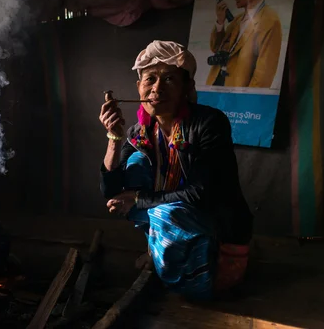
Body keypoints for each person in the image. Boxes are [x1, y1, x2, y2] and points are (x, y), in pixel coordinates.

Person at [99, 40, 253, 300]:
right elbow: (113, 192)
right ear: (139, 87)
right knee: (136, 165)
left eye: (169, 79)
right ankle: (160, 253)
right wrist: (113, 139)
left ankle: (196, 280)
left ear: (187, 88)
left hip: (218, 234)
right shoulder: (139, 132)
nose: (157, 88)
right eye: (150, 79)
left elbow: (203, 192)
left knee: (162, 213)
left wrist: (137, 199)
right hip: (171, 214)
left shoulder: (208, 124)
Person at [207, 0, 282, 88]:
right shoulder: (237, 20)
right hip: (217, 86)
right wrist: (220, 22)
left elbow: (264, 73)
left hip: (239, 93)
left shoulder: (270, 20)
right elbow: (216, 48)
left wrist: (247, 99)